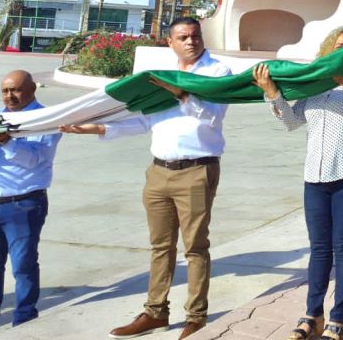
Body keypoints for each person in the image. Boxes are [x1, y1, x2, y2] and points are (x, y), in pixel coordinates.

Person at [60, 17, 232, 337]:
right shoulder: (159, 78)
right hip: (158, 173)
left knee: (195, 247)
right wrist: (97, 128)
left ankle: (196, 317)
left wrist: (181, 93)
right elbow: (142, 123)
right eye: (183, 37)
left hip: (197, 171)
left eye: (195, 36)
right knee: (160, 246)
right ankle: (156, 312)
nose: (191, 41)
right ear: (170, 42)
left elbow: (212, 116)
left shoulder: (217, 72)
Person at [253, 26, 343, 340]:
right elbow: (291, 120)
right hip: (315, 174)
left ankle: (339, 320)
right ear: (329, 47)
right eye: (339, 45)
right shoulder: (314, 84)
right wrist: (273, 94)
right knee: (319, 249)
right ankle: (312, 316)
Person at [0, 70, 61, 336]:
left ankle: (24, 324)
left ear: (31, 90)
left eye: (16, 90)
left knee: (23, 267)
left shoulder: (45, 120)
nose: (10, 96)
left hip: (23, 205)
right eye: (6, 91)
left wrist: (5, 141)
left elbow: (33, 160)